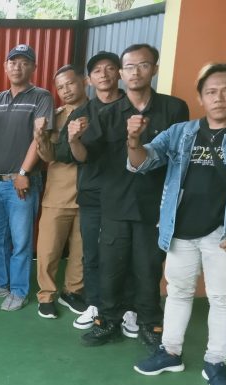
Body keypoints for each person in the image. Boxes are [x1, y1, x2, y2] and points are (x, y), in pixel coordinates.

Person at [130, 63, 226, 385]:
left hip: (225, 233)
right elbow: (142, 162)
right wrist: (133, 140)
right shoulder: (182, 132)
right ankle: (170, 353)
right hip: (179, 229)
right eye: (211, 92)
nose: (218, 98)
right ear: (200, 97)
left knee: (222, 298)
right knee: (178, 293)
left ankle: (216, 363)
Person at [80, 44, 189, 348]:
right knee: (111, 267)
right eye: (129, 66)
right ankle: (108, 321)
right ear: (121, 73)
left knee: (148, 267)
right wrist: (74, 138)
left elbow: (179, 155)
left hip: (154, 204)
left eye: (143, 65)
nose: (135, 72)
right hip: (115, 202)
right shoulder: (108, 113)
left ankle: (150, 323)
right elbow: (86, 154)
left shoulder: (174, 108)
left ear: (154, 69)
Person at [0, 44, 53, 311]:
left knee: (21, 241)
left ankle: (19, 290)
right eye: (13, 62)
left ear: (33, 67)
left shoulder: (41, 97)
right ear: (5, 66)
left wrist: (23, 173)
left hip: (22, 184)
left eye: (24, 62)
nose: (18, 67)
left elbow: (39, 139)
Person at [71, 51, 137, 332]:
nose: (104, 74)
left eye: (110, 68)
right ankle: (95, 304)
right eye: (97, 70)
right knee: (92, 252)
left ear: (119, 73)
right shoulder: (81, 114)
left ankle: (128, 309)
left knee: (127, 253)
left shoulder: (134, 108)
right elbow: (77, 157)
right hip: (93, 194)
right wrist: (74, 138)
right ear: (89, 79)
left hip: (127, 194)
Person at [32, 65, 87, 319]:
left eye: (70, 83)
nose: (66, 90)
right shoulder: (55, 117)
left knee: (81, 252)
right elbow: (48, 157)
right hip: (57, 194)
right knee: (48, 250)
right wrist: (40, 136)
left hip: (88, 195)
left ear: (84, 82)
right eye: (60, 87)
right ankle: (46, 295)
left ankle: (72, 292)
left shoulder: (97, 113)